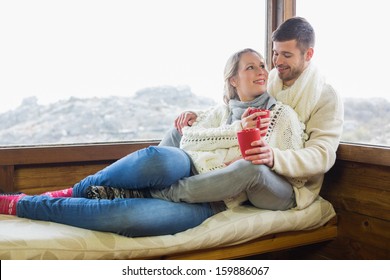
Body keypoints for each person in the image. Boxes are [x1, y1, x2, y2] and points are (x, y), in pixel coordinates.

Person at [0, 48, 305, 237]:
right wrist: (231, 130)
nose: (262, 71)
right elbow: (186, 141)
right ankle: (78, 190)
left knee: (126, 216)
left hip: (210, 202)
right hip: (186, 173)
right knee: (155, 157)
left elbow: (285, 169)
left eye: (263, 65)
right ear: (233, 80)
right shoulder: (217, 112)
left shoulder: (281, 115)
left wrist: (250, 161)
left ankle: (22, 204)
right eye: (251, 66)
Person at [125, 16, 344, 210]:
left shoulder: (325, 95)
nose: (276, 62)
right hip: (258, 169)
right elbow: (238, 103)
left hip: (291, 185)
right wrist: (197, 116)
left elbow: (323, 154)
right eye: (275, 53)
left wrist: (273, 157)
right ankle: (137, 183)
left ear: (309, 54)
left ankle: (158, 193)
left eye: (286, 55)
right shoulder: (273, 79)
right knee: (181, 132)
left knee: (251, 168)